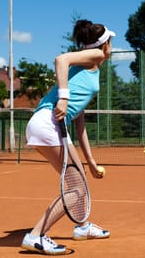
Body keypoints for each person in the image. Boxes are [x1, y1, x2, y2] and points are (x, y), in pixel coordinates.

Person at [21, 19, 115, 255]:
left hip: (49, 125)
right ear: (103, 44)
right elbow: (60, 59)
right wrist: (63, 97)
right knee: (75, 188)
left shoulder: (87, 68)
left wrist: (91, 161)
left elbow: (79, 121)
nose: (112, 47)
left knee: (80, 181)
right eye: (111, 42)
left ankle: (82, 227)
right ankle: (35, 235)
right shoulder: (95, 55)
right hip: (47, 123)